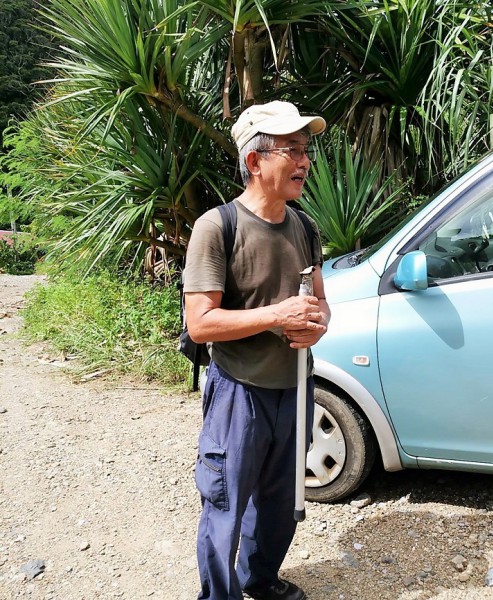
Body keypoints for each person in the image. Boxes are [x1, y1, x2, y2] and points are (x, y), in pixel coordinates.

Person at [183, 100, 331, 600]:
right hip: (237, 394)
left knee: (277, 503)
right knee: (225, 503)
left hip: (295, 387)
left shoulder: (306, 228)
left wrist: (315, 327)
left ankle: (260, 581)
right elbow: (200, 324)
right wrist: (277, 317)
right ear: (254, 161)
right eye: (291, 150)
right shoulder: (215, 228)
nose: (304, 162)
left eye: (305, 150)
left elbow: (320, 306)